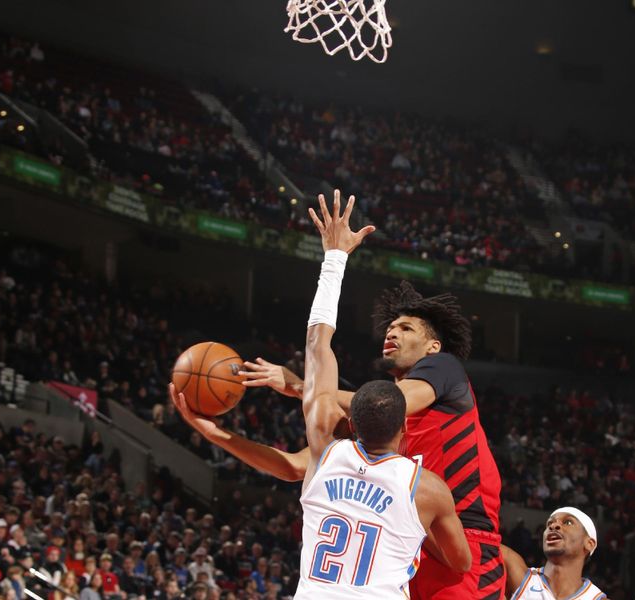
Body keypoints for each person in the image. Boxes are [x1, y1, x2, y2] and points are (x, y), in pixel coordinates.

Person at [172, 192, 471, 598]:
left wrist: (214, 432)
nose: (392, 333)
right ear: (402, 426)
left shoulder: (327, 453)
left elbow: (317, 344)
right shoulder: (429, 488)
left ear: (351, 421)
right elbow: (461, 561)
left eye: (405, 329)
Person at [242, 189, 504, 599]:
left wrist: (301, 386)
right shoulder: (381, 426)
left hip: (464, 538)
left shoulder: (442, 368)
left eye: (406, 329)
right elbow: (298, 465)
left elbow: (379, 400)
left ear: (433, 345)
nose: (392, 332)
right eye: (390, 327)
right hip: (409, 535)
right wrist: (215, 433)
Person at [500, 507, 607, 600]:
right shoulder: (517, 575)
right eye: (549, 523)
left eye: (568, 522)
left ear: (589, 543)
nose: (553, 525)